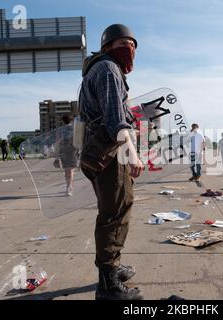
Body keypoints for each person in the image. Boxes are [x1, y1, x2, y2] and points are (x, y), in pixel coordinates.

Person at [79, 24, 144, 300]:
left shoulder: (99, 69)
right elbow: (116, 120)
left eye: (131, 44)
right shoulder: (108, 69)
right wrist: (133, 154)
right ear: (107, 48)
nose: (128, 49)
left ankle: (113, 266)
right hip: (109, 153)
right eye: (122, 44)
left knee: (118, 206)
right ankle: (108, 282)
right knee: (114, 213)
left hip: (97, 152)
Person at [56, 115, 78, 196]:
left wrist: (57, 154)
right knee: (71, 171)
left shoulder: (60, 130)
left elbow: (57, 142)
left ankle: (68, 186)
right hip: (73, 151)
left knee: (66, 170)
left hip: (63, 152)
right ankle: (69, 187)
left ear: (63, 121)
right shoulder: (74, 129)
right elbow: (78, 141)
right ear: (71, 121)